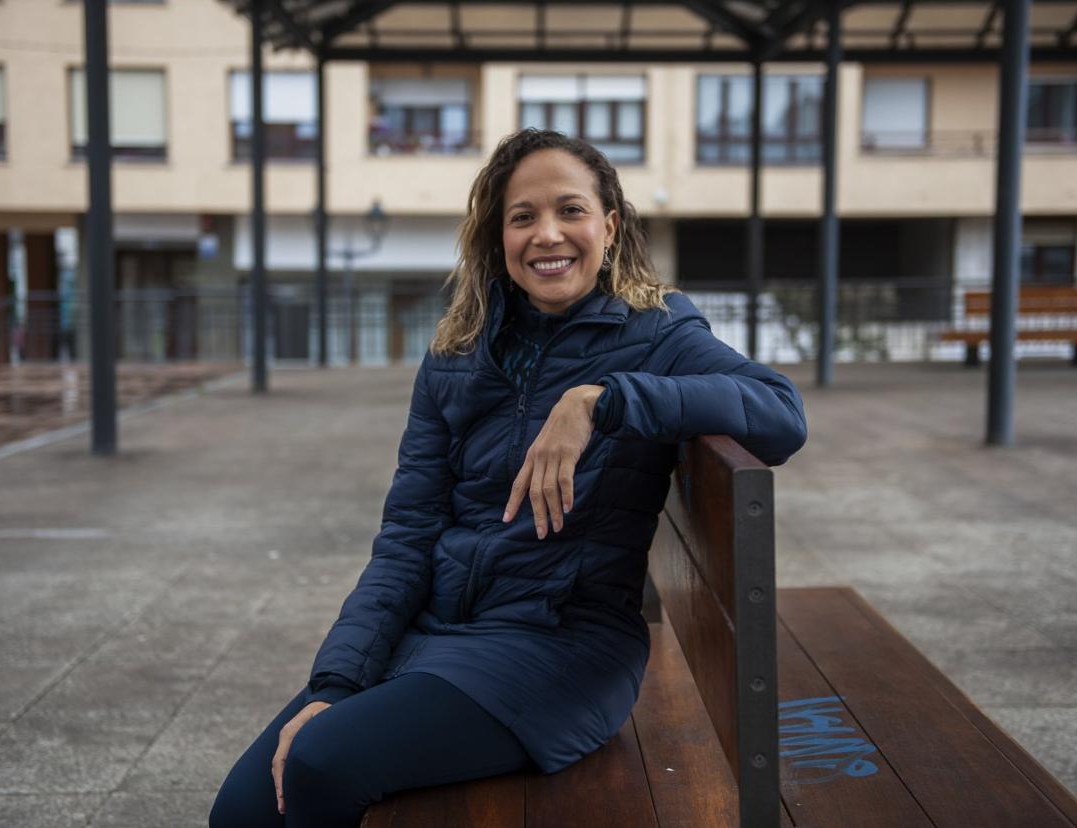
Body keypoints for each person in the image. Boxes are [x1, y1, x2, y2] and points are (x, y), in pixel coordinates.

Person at [209, 128, 807, 828]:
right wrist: (336, 682)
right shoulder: (457, 354)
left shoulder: (658, 333)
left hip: (560, 650)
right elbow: (405, 536)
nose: (548, 234)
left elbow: (781, 413)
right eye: (523, 216)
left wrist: (603, 399)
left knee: (318, 765)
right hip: (436, 635)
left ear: (608, 226)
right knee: (244, 811)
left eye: (570, 210)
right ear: (498, 238)